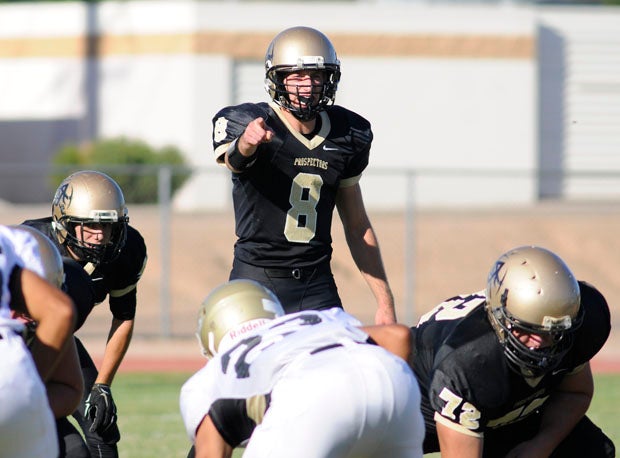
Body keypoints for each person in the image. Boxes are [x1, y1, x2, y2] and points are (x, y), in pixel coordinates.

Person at [212, 26, 396, 324]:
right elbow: (234, 161)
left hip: (316, 283)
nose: (307, 85)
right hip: (256, 279)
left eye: (316, 75)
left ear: (329, 78)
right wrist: (247, 142)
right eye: (296, 76)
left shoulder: (349, 133)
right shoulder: (249, 121)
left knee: (337, 367)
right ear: (278, 79)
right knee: (249, 368)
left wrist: (384, 302)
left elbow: (357, 224)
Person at [408, 245, 615, 458]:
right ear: (500, 318)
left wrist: (541, 445)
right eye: (527, 329)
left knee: (593, 451)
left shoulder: (580, 324)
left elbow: (574, 393)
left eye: (553, 332)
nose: (539, 343)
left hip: (503, 414)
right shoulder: (471, 361)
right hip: (416, 416)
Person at [180, 279, 424, 458]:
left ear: (211, 340)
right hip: (391, 381)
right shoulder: (320, 320)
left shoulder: (208, 379)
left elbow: (212, 450)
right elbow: (399, 336)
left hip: (310, 395)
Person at [22, 170, 148, 458]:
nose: (100, 235)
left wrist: (103, 385)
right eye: (88, 225)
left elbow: (124, 317)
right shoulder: (31, 245)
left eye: (108, 226)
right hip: (13, 344)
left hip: (60, 342)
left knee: (100, 427)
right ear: (64, 222)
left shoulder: (125, 250)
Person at [9, 224, 94, 457]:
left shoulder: (56, 311)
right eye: (15, 302)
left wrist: (23, 405)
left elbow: (69, 388)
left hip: (25, 411)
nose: (20, 316)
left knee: (75, 451)